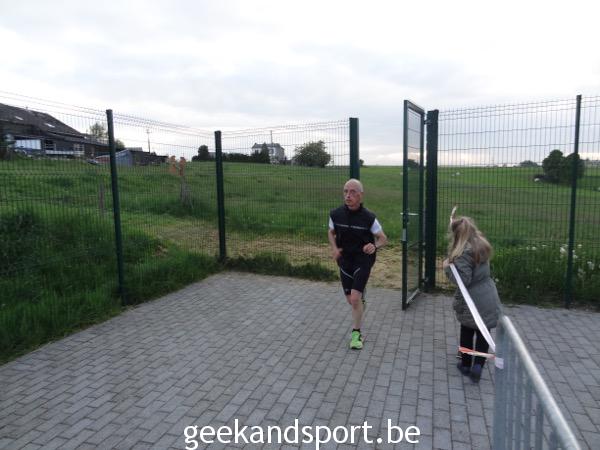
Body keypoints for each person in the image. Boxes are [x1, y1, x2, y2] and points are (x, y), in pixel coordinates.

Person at [328, 179, 387, 350]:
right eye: (346, 191)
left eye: (353, 192)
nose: (348, 195)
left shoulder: (369, 218)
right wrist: (334, 248)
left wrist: (374, 246)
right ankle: (360, 301)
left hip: (363, 260)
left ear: (361, 195)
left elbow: (383, 239)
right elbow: (331, 232)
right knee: (351, 300)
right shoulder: (335, 214)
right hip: (344, 260)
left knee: (354, 298)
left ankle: (356, 334)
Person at [443, 215, 502, 382]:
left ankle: (466, 365)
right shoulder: (481, 245)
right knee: (484, 332)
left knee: (467, 331)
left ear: (457, 235)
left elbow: (463, 280)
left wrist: (447, 268)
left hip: (472, 300)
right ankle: (478, 366)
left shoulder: (463, 254)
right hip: (488, 294)